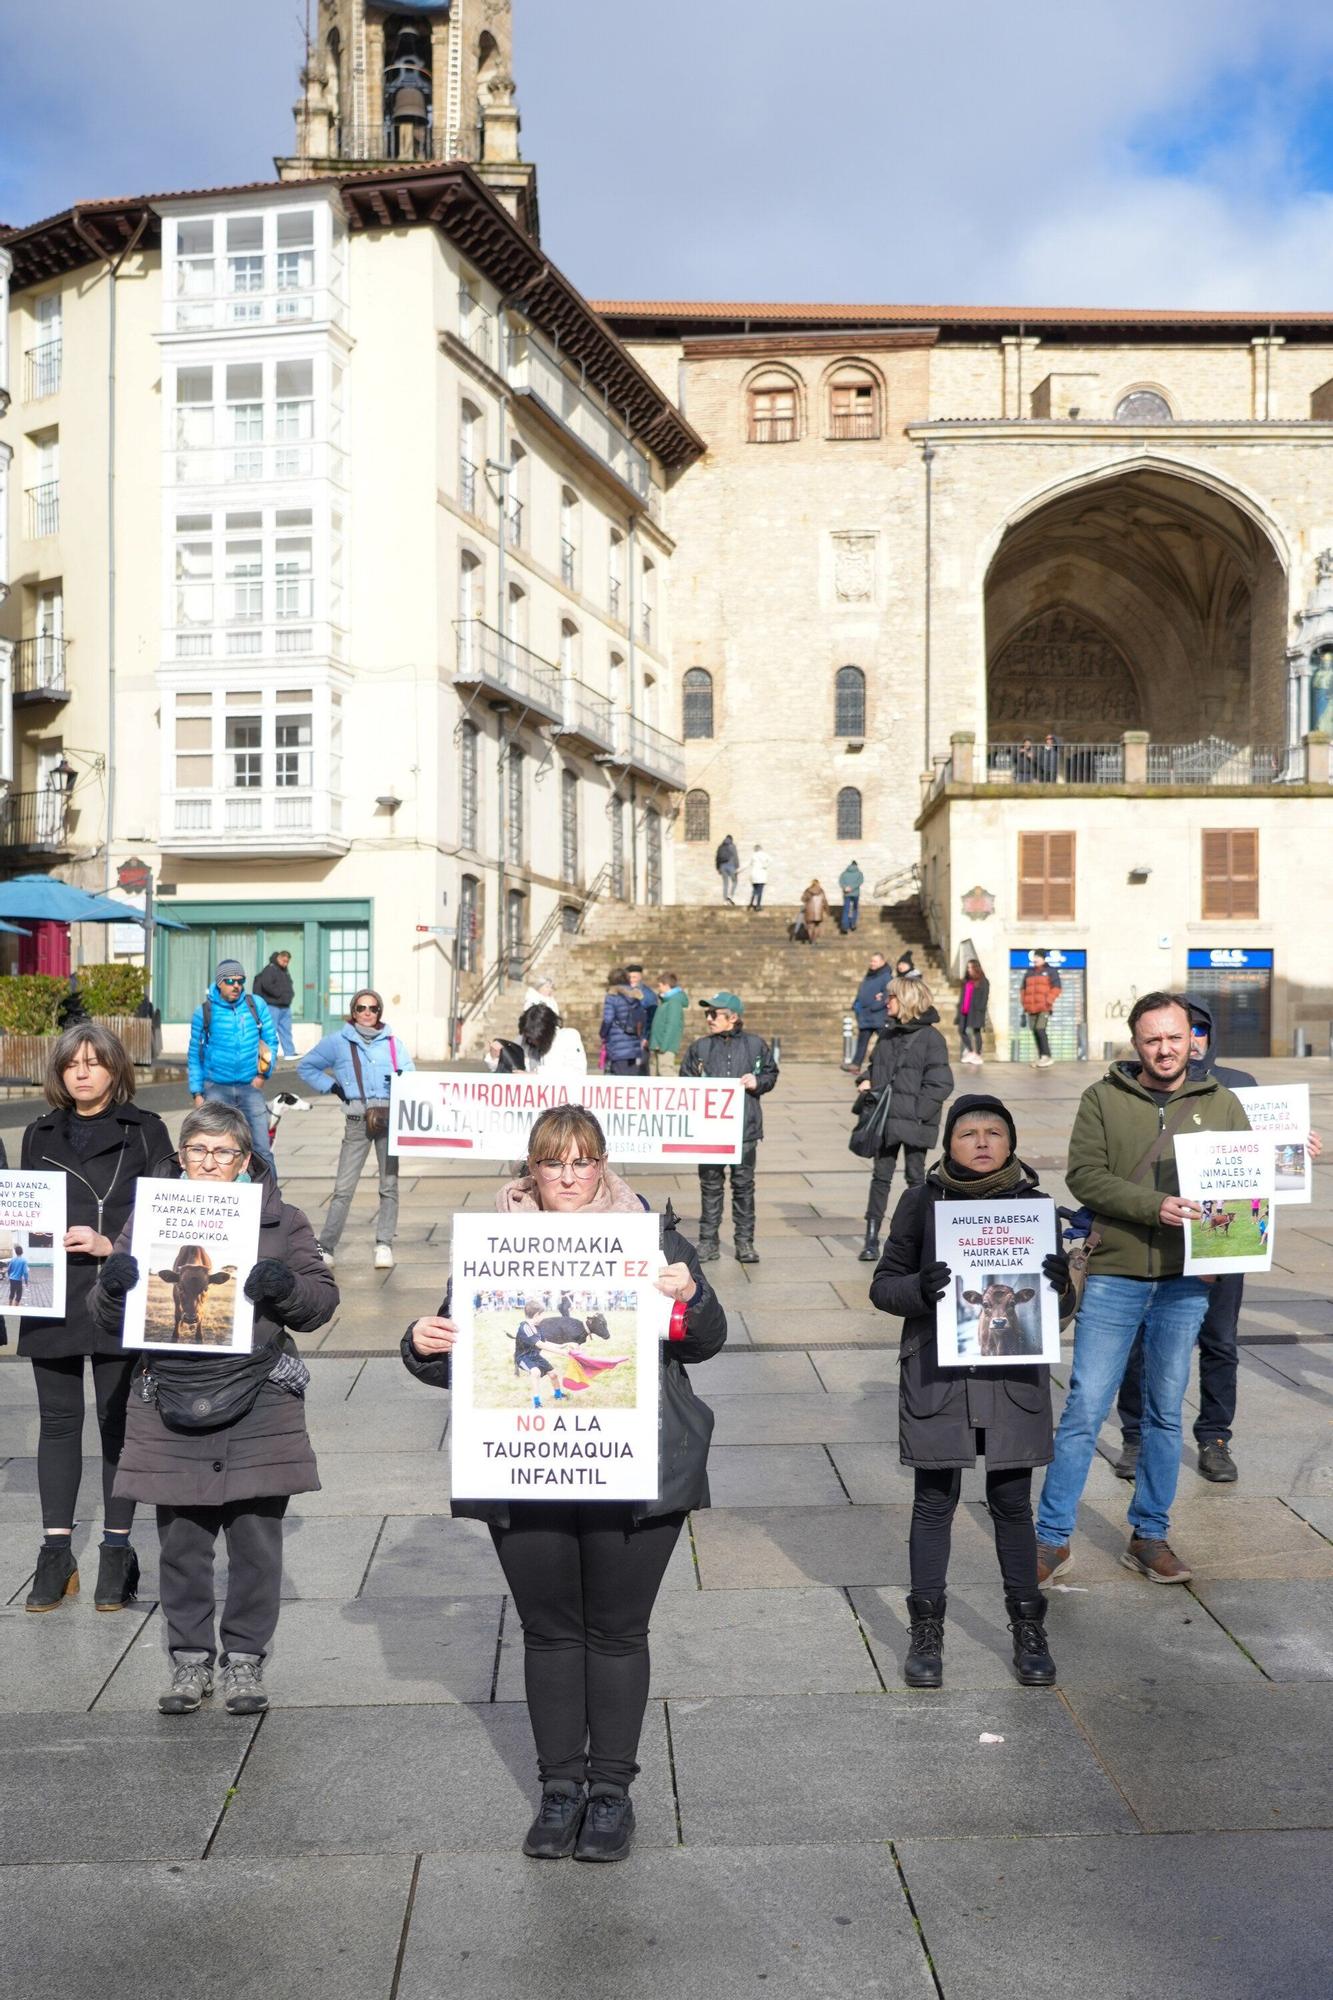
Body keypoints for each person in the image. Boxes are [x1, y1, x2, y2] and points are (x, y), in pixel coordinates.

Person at [403, 1104, 726, 1862]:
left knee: (615, 1631)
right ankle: (558, 1792)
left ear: (603, 1164)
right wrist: (420, 1343)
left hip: (637, 1467)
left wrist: (688, 1298)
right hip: (528, 1464)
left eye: (584, 1161)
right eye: (554, 1162)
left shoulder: (651, 1238)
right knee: (549, 1632)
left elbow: (707, 1342)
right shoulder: (494, 1244)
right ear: (532, 1171)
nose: (570, 1176)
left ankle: (610, 1795)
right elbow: (453, 1350)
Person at [93, 1101, 337, 1717]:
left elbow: (319, 1303)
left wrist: (284, 1286)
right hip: (169, 1393)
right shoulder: (150, 1219)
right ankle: (190, 1661)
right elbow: (106, 1316)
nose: (209, 1163)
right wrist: (114, 1285)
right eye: (197, 1151)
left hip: (258, 1395)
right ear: (181, 1157)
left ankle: (246, 1658)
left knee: (256, 1541)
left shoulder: (283, 1221)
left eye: (223, 1152)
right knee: (181, 1543)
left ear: (245, 1160)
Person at [1035, 992, 1251, 1586]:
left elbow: (1246, 1186)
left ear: (1193, 1040)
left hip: (1186, 1282)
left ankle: (1150, 1535)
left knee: (1163, 1412)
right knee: (1084, 1409)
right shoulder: (1103, 1097)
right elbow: (1085, 1175)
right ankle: (1051, 1539)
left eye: (1174, 1038)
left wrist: (1223, 1255)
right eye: (1152, 1039)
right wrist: (1156, 1206)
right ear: (1136, 1043)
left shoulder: (1223, 1103)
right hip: (1116, 1274)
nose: (1164, 1049)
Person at [870, 1094, 1075, 1686]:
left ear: (1010, 1142)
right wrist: (921, 1289)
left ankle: (1028, 1628)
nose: (981, 1141)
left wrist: (1062, 1285)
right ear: (948, 1144)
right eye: (967, 1133)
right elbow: (884, 1288)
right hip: (940, 1376)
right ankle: (926, 1633)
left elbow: (1056, 1309)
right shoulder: (920, 1202)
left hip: (1013, 1379)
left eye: (993, 1131)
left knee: (1012, 1503)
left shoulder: (1036, 1208)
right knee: (935, 1502)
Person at [1112, 994, 1323, 1486]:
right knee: (1140, 1340)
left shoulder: (1240, 1086)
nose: (1193, 1041)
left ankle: (1214, 1437)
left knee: (1220, 1340)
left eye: (1200, 1030)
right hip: (1156, 1231)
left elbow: (1263, 1161)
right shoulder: (1129, 1084)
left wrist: (1297, 1151)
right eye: (1187, 1030)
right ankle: (1136, 1435)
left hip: (1224, 1232)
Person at [7, 1025, 177, 1614]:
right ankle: (55, 1552)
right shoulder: (39, 1132)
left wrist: (111, 1246)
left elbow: (167, 1219)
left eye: (94, 1063)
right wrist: (13, 1252)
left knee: (115, 1422)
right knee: (56, 1421)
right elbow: (24, 1211)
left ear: (114, 1070)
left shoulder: (146, 1131)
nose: (82, 1073)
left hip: (116, 1289)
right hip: (47, 1291)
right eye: (72, 1064)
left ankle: (116, 1551)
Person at [297, 988, 415, 1271]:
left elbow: (411, 1076)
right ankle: (326, 1247)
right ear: (353, 1011)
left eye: (372, 1009)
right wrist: (335, 1087)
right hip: (356, 1121)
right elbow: (307, 1067)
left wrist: (401, 1083)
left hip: (389, 1119)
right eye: (361, 1007)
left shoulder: (393, 1043)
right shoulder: (337, 1042)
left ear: (379, 1013)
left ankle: (384, 1244)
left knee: (389, 1186)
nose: (366, 1013)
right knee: (343, 1188)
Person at [853, 978, 953, 1263]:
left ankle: (918, 1237)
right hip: (885, 1120)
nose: (887, 1002)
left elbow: (940, 1083)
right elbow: (874, 1067)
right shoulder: (886, 1034)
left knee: (916, 1179)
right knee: (880, 1177)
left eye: (892, 997)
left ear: (907, 1000)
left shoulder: (932, 1039)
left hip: (914, 1122)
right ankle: (871, 1238)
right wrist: (865, 1080)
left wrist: (918, 1114)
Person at [681, 991, 778, 1264]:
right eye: (707, 1014)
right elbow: (684, 1080)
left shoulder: (755, 1045)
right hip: (709, 1132)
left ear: (733, 1018)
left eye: (714, 1014)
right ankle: (708, 1241)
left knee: (744, 1186)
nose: (709, 1019)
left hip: (744, 1130)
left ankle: (744, 1242)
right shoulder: (699, 1047)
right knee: (710, 1186)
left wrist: (757, 1081)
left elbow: (771, 1073)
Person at [187, 959, 279, 1176]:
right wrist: (197, 1093)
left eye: (240, 981)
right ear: (219, 983)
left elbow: (270, 1041)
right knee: (219, 1147)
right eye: (230, 981)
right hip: (216, 1088)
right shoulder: (205, 1012)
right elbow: (194, 1054)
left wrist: (262, 1074)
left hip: (250, 1087)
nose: (236, 985)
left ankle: (272, 1201)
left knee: (262, 1150)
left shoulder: (255, 1005)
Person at [489, 1004, 587, 1076]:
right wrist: (496, 1057)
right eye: (528, 1037)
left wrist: (536, 1074)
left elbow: (578, 1072)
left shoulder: (568, 1037)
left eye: (534, 1038)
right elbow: (507, 1071)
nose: (530, 1041)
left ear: (546, 1034)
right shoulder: (522, 1040)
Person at [599, 968, 647, 1076]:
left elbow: (608, 1019)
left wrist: (602, 1033)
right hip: (634, 1042)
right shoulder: (635, 995)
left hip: (617, 1043)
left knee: (620, 1077)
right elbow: (642, 1018)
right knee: (632, 1078)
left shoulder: (612, 996)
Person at [847, 951, 890, 1071]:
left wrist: (875, 1006)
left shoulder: (886, 976)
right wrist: (857, 1004)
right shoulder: (870, 975)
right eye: (871, 961)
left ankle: (885, 1064)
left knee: (885, 1041)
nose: (872, 963)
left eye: (875, 961)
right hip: (866, 1016)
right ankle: (855, 1065)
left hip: (878, 1016)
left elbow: (887, 995)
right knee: (862, 1042)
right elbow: (862, 991)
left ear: (882, 962)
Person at [1019, 950, 1061, 1067]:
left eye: (1037, 957)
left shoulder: (1050, 971)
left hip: (1044, 1007)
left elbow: (1057, 988)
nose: (1035, 959)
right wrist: (1024, 1003)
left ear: (1043, 958)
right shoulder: (1029, 972)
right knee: (1034, 1031)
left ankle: (1046, 1056)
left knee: (1040, 1029)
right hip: (1030, 1008)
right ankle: (1041, 1056)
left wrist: (1048, 1001)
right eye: (1034, 957)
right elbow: (1023, 989)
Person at [252, 950, 297, 1060]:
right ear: (279, 958)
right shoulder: (270, 969)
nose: (285, 964)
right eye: (284, 961)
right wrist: (280, 995)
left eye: (287, 962)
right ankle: (269, 1054)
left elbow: (288, 985)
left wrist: (289, 995)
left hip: (285, 1006)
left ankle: (289, 1053)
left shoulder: (284, 971)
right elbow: (267, 985)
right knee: (270, 1031)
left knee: (286, 1031)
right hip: (273, 1006)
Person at [648, 976, 689, 1075]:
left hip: (665, 1044)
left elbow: (672, 1025)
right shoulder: (666, 1001)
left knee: (666, 1071)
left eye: (660, 985)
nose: (658, 988)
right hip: (660, 1043)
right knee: (659, 1072)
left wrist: (664, 1045)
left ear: (666, 985)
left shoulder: (673, 1002)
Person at [957, 957, 989, 1065]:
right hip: (965, 1010)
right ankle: (971, 1051)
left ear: (976, 968)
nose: (969, 970)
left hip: (976, 1011)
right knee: (961, 1030)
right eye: (968, 967)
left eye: (971, 967)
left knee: (976, 1032)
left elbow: (984, 997)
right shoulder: (966, 981)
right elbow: (963, 996)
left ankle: (978, 1054)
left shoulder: (983, 981)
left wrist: (980, 1009)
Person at [625, 966, 657, 1059]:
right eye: (629, 977)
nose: (631, 980)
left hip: (641, 1036)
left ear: (640, 977)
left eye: (634, 977)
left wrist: (646, 1037)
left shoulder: (648, 994)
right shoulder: (624, 991)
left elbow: (652, 1017)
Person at [838, 859, 865, 934]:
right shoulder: (859, 873)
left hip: (846, 893)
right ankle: (853, 923)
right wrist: (852, 887)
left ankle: (845, 926)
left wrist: (845, 887)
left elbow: (840, 882)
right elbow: (860, 882)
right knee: (855, 909)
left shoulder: (844, 873)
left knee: (846, 909)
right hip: (855, 893)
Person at [801, 879, 828, 945]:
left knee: (810, 926)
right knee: (817, 926)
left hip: (809, 911)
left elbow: (803, 899)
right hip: (819, 912)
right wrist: (827, 910)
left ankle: (811, 939)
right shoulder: (821, 891)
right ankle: (814, 940)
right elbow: (824, 901)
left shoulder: (808, 890)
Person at [715, 833, 740, 905]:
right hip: (731, 866)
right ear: (731, 839)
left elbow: (717, 858)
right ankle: (730, 896)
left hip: (722, 866)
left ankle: (725, 901)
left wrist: (718, 868)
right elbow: (735, 857)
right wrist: (737, 867)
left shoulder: (721, 846)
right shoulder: (732, 846)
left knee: (725, 884)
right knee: (735, 881)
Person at [747, 844, 770, 910]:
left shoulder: (753, 856)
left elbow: (748, 864)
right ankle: (758, 905)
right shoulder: (764, 855)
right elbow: (771, 860)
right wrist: (765, 866)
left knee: (754, 890)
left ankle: (751, 904)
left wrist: (739, 871)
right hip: (761, 875)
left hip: (754, 876)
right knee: (760, 891)